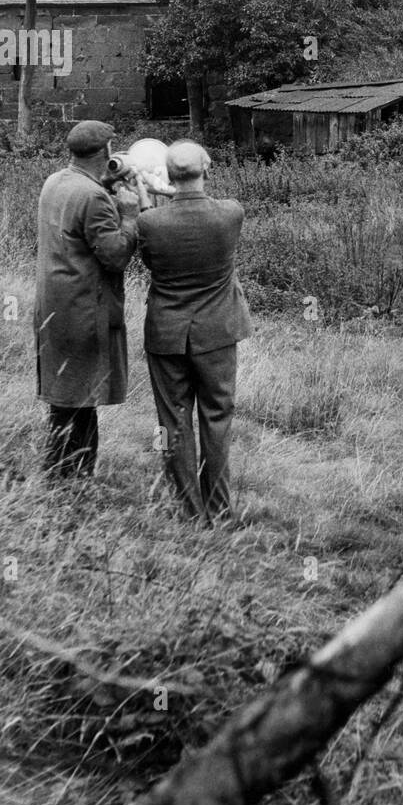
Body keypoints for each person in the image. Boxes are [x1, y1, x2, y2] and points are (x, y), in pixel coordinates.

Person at [137, 141, 252, 525]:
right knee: (217, 419)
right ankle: (220, 510)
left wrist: (150, 193)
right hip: (217, 332)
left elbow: (151, 258)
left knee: (173, 422)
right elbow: (200, 200)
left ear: (167, 175)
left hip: (166, 332)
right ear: (207, 168)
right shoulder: (230, 214)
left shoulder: (149, 222)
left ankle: (189, 512)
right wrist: (175, 189)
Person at [35, 120, 147, 478]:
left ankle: (61, 476)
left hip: (55, 306)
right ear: (106, 151)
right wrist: (130, 216)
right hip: (84, 309)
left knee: (66, 400)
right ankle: (72, 481)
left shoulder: (56, 181)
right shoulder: (93, 196)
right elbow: (114, 256)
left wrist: (106, 183)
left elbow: (80, 216)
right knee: (81, 401)